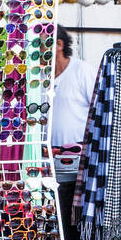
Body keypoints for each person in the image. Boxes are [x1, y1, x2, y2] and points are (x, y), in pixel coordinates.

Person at [51, 27, 95, 169]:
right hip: (45, 158)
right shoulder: (37, 75)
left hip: (76, 157)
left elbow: (99, 111)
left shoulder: (82, 71)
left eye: (39, 43)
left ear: (59, 44)